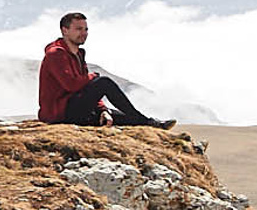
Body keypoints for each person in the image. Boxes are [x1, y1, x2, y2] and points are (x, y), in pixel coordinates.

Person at [36, 13, 175, 127]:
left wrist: (103, 109)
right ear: (64, 30)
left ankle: (149, 123)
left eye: (86, 29)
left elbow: (83, 88)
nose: (83, 33)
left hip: (76, 108)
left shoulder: (78, 54)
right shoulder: (56, 54)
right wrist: (92, 77)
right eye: (78, 29)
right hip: (60, 113)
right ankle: (148, 122)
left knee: (123, 118)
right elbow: (71, 85)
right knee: (103, 82)